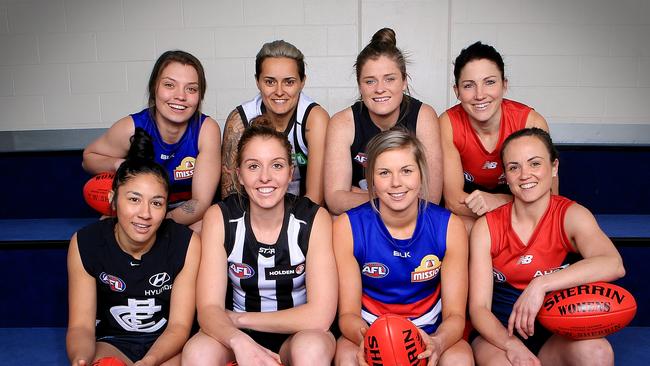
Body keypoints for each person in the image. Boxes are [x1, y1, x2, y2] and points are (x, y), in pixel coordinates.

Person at [182, 116, 337, 366]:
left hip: (296, 334)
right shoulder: (220, 218)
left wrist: (241, 319)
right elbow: (209, 310)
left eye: (276, 166)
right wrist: (238, 339)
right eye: (253, 166)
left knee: (312, 350)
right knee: (198, 353)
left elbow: (320, 316)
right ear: (239, 174)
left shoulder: (313, 219)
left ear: (290, 173)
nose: (265, 177)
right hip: (235, 335)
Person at [469, 127, 625, 366]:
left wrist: (541, 284)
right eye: (514, 167)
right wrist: (512, 346)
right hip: (500, 336)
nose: (524, 175)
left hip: (555, 334)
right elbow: (479, 309)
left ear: (554, 167)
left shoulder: (571, 215)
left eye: (534, 164)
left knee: (597, 352)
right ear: (506, 176)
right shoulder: (487, 227)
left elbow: (613, 264)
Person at [333, 129, 473, 366]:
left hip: (429, 327)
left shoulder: (449, 226)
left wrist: (437, 342)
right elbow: (347, 315)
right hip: (370, 326)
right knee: (347, 357)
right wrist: (376, 341)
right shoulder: (347, 226)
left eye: (406, 171)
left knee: (459, 359)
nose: (396, 183)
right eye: (384, 173)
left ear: (421, 175)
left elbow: (455, 316)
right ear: (372, 179)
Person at [67, 128, 201, 366]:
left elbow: (179, 327)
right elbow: (80, 326)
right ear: (113, 199)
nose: (145, 214)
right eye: (134, 199)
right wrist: (80, 359)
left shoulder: (185, 243)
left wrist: (149, 361)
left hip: (168, 345)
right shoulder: (86, 242)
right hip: (113, 341)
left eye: (156, 203)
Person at [83, 50, 221, 232]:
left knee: (208, 227)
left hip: (181, 213)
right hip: (140, 208)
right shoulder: (132, 127)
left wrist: (155, 223)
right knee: (104, 229)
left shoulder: (206, 129)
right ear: (154, 88)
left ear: (199, 95)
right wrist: (119, 164)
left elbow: (200, 203)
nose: (181, 96)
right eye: (169, 85)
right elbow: (88, 159)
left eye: (191, 89)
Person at [324, 28, 443, 215]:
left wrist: (361, 194)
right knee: (332, 220)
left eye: (389, 79)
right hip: (364, 220)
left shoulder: (424, 116)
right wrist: (398, 196)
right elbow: (335, 201)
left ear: (404, 81)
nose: (380, 89)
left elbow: (431, 198)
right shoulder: (342, 123)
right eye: (370, 81)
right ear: (359, 85)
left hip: (414, 220)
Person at [440, 41, 554, 232]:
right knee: (462, 229)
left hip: (518, 203)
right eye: (469, 85)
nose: (480, 95)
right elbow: (453, 201)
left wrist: (501, 201)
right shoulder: (447, 124)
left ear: (504, 85)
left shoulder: (530, 122)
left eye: (490, 82)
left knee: (535, 227)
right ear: (457, 91)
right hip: (473, 211)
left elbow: (549, 197)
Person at [220, 40, 329, 204]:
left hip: (302, 213)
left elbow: (315, 198)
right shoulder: (239, 120)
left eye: (289, 82)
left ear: (302, 82)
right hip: (253, 212)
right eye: (270, 82)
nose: (279, 92)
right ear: (257, 81)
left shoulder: (314, 119)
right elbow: (231, 199)